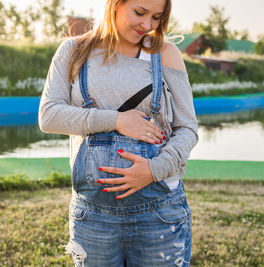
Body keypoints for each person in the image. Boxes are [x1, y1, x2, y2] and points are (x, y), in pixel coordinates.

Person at [38, 0, 199, 266]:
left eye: (156, 17)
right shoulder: (73, 51)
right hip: (93, 216)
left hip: (158, 211)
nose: (147, 25)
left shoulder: (165, 54)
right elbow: (49, 116)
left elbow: (187, 128)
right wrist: (116, 120)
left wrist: (154, 169)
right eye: (139, 12)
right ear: (115, 5)